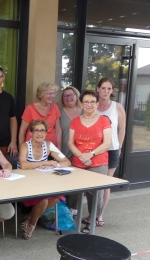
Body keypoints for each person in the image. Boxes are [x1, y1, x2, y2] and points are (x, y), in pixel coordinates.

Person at [68, 90, 112, 233]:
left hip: (98, 162)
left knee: (95, 194)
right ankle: (73, 214)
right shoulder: (75, 121)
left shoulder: (104, 120)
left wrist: (90, 154)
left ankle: (92, 220)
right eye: (86, 101)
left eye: (92, 102)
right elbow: (70, 143)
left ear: (97, 104)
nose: (89, 104)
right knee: (75, 191)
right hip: (78, 161)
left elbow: (107, 143)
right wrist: (82, 156)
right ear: (81, 104)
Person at [18, 120, 71, 240]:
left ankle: (29, 218)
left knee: (57, 197)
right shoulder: (25, 146)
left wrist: (54, 165)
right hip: (26, 183)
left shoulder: (49, 145)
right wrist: (46, 162)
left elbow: (67, 162)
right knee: (43, 200)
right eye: (36, 130)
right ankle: (33, 224)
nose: (39, 133)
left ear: (46, 133)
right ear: (31, 132)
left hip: (43, 182)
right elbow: (24, 165)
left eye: (42, 130)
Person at [96, 78, 126, 226]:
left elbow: (122, 129)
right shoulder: (92, 106)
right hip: (95, 150)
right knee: (94, 183)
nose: (106, 91)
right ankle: (92, 212)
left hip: (111, 149)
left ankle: (99, 215)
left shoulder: (117, 107)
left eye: (109, 88)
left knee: (105, 183)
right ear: (97, 89)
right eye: (103, 88)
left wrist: (119, 147)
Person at [57, 86, 82, 216]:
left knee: (77, 180)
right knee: (66, 179)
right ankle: (63, 208)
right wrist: (59, 152)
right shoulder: (59, 112)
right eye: (65, 96)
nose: (68, 98)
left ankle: (74, 207)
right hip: (66, 150)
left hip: (82, 151)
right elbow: (58, 132)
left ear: (76, 96)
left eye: (71, 95)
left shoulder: (84, 111)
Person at [19, 82, 62, 147]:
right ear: (41, 94)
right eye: (49, 93)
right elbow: (22, 131)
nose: (52, 96)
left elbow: (58, 130)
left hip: (51, 148)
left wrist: (59, 149)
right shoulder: (30, 109)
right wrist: (22, 149)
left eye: (54, 93)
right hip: (33, 148)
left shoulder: (55, 108)